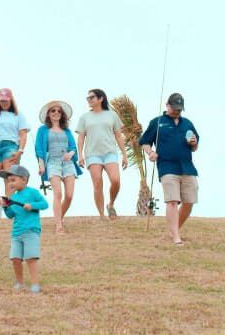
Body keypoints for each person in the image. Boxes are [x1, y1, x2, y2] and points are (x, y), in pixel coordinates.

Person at [140, 93, 200, 245]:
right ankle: (176, 238)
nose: (176, 111)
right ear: (167, 105)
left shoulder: (187, 123)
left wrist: (193, 143)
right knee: (172, 201)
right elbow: (145, 142)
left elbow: (195, 146)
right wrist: (151, 152)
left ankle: (175, 230)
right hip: (167, 167)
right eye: (174, 108)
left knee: (189, 202)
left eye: (179, 109)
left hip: (187, 167)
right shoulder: (157, 122)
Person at [75, 88, 127, 220]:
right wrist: (80, 155)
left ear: (101, 98)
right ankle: (102, 215)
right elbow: (81, 137)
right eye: (88, 98)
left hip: (110, 152)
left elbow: (118, 136)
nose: (89, 100)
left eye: (91, 97)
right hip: (92, 154)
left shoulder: (112, 115)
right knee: (97, 183)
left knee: (115, 180)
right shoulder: (84, 117)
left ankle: (111, 204)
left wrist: (124, 154)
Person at [0, 88, 30, 214]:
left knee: (9, 179)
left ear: (11, 100)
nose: (4, 103)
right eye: (1, 101)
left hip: (11, 146)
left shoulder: (18, 115)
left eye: (6, 101)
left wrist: (20, 150)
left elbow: (23, 134)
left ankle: (8, 207)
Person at [0, 165, 48, 293]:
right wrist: (5, 207)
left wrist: (31, 205)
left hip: (31, 231)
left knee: (30, 259)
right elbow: (10, 215)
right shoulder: (13, 198)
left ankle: (35, 285)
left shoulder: (32, 192)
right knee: (15, 259)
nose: (10, 183)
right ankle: (20, 284)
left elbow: (45, 204)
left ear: (24, 179)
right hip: (16, 234)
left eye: (13, 180)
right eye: (9, 181)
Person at [34, 100, 80, 234]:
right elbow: (39, 149)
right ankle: (59, 225)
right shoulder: (42, 130)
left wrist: (71, 154)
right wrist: (41, 164)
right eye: (53, 111)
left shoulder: (67, 130)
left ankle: (59, 217)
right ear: (48, 114)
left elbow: (73, 147)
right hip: (52, 162)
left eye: (59, 111)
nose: (56, 113)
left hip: (68, 163)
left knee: (69, 195)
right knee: (58, 193)